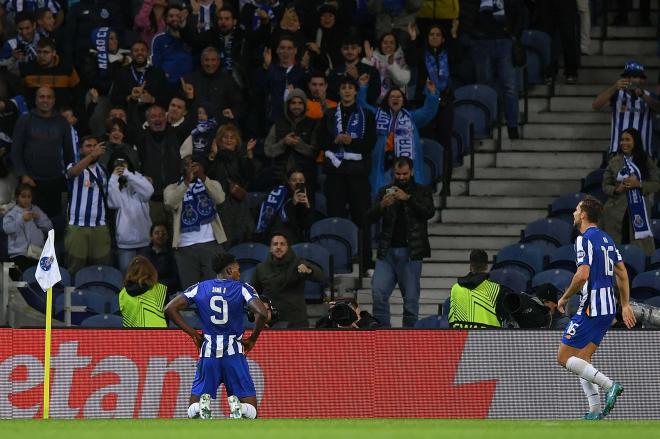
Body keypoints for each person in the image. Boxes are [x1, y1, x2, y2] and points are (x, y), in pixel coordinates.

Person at [556, 196, 636, 420]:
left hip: (592, 307)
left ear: (583, 215)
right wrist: (625, 303)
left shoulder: (584, 240)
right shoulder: (607, 239)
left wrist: (564, 297)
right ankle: (594, 410)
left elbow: (582, 275)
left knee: (563, 358)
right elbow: (621, 272)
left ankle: (610, 385)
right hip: (608, 308)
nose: (573, 212)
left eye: (576, 209)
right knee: (582, 359)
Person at [165, 252, 269, 420]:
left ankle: (200, 408)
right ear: (229, 270)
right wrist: (252, 340)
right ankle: (241, 408)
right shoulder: (242, 288)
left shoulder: (200, 287)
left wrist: (192, 333)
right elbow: (262, 313)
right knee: (252, 411)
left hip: (209, 353)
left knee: (193, 409)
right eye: (237, 269)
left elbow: (169, 308)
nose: (239, 273)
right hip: (234, 353)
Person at [366, 157, 435, 327]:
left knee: (411, 300)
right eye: (398, 174)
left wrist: (408, 198)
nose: (401, 177)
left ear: (411, 171)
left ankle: (408, 338)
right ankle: (382, 335)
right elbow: (369, 218)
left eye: (405, 174)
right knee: (378, 293)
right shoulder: (384, 191)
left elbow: (429, 212)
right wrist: (381, 206)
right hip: (386, 253)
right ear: (393, 172)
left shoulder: (422, 190)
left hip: (411, 253)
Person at [357, 74, 439, 199]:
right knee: (386, 199)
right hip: (384, 166)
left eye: (399, 96)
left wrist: (432, 92)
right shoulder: (376, 115)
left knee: (406, 199)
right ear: (387, 100)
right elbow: (362, 107)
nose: (395, 99)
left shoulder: (411, 117)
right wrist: (362, 87)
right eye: (392, 96)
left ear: (403, 100)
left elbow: (428, 111)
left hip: (405, 167)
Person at [163, 154, 227, 289]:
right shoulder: (172, 188)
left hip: (211, 244)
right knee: (191, 292)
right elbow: (169, 203)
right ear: (182, 169)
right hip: (185, 247)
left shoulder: (211, 183)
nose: (192, 168)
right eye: (187, 165)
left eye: (195, 164)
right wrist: (186, 182)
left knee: (213, 290)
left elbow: (220, 198)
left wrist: (203, 178)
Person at [11, 85, 74, 218]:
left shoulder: (62, 122)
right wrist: (23, 175)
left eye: (49, 97)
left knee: (53, 224)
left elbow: (69, 153)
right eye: (42, 97)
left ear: (54, 100)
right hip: (30, 182)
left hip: (55, 181)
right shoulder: (25, 120)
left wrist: (67, 176)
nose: (45, 100)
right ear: (36, 100)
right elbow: (15, 151)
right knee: (29, 224)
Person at [600, 128, 660, 256]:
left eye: (628, 140)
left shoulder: (646, 161)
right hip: (615, 213)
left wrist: (639, 184)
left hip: (639, 210)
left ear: (635, 142)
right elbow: (605, 186)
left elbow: (656, 184)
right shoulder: (614, 161)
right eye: (622, 140)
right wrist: (617, 189)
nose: (623, 143)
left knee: (639, 252)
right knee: (615, 250)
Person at [251, 233, 326, 328]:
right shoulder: (261, 268)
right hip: (272, 320)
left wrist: (309, 271)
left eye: (282, 244)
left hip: (296, 319)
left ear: (287, 247)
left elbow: (321, 277)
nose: (278, 247)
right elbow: (253, 293)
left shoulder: (298, 262)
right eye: (275, 244)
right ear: (270, 248)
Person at [64, 136, 112, 275]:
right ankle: (71, 295)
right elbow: (72, 173)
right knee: (75, 268)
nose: (93, 148)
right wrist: (91, 156)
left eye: (95, 145)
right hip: (77, 225)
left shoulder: (103, 170)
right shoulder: (73, 165)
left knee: (101, 269)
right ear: (81, 149)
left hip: (100, 226)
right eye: (88, 146)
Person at [592, 62, 660, 157]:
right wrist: (614, 87)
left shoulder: (648, 96)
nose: (631, 80)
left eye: (636, 77)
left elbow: (658, 107)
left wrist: (642, 95)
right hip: (618, 152)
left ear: (642, 80)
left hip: (642, 153)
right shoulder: (616, 94)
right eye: (629, 76)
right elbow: (596, 105)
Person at [264, 88, 319, 194]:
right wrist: (284, 143)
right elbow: (268, 150)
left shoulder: (313, 124)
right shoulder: (278, 124)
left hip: (305, 178)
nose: (297, 106)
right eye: (293, 103)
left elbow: (314, 152)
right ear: (288, 105)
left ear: (305, 105)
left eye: (300, 103)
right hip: (279, 178)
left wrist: (298, 144)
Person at [107, 157, 154, 273]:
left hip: (145, 240)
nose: (121, 167)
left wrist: (128, 174)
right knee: (126, 277)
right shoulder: (113, 183)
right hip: (125, 243)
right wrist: (114, 178)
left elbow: (149, 191)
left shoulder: (138, 178)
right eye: (117, 165)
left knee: (146, 276)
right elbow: (114, 203)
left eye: (123, 164)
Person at [2, 184, 52, 278]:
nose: (26, 199)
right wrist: (22, 219)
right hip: (19, 254)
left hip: (37, 252)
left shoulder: (36, 209)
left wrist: (38, 219)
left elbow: (49, 227)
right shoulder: (12, 213)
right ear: (17, 197)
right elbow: (7, 229)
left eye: (29, 197)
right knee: (26, 279)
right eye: (23, 196)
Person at [255, 169, 315, 244]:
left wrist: (307, 207)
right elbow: (279, 222)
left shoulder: (308, 196)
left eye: (301, 180)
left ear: (304, 181)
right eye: (294, 180)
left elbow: (309, 225)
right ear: (288, 182)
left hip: (297, 239)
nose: (297, 183)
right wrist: (292, 203)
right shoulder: (280, 194)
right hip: (278, 235)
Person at [448, 249, 503, 328]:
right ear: (486, 266)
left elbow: (451, 319)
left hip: (462, 338)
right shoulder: (496, 289)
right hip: (488, 338)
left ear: (470, 265)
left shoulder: (456, 288)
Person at [118, 255, 168, 327]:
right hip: (158, 335)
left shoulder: (122, 294)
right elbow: (166, 318)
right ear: (151, 271)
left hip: (133, 336)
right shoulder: (162, 289)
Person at [361, 32, 411, 103]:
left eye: (392, 43)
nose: (388, 45)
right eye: (385, 43)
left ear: (396, 45)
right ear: (380, 45)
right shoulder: (373, 59)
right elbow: (365, 80)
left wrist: (392, 65)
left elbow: (403, 82)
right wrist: (368, 61)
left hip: (396, 103)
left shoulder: (402, 60)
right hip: (376, 103)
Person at [150, 4, 193, 85]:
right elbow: (156, 65)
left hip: (189, 84)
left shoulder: (191, 38)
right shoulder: (159, 39)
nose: (175, 18)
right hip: (167, 84)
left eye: (178, 16)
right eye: (171, 16)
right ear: (165, 19)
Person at [139, 222, 180, 295]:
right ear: (151, 236)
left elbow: (175, 279)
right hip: (146, 291)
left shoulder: (173, 254)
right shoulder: (143, 254)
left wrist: (157, 285)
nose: (160, 235)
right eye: (157, 233)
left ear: (167, 236)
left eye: (164, 233)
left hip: (167, 292)